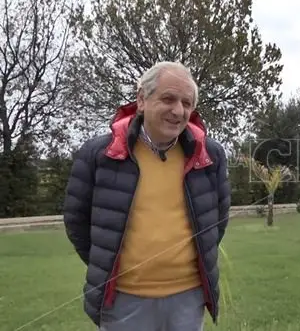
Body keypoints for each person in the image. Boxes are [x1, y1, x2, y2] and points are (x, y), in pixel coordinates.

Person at [62, 61, 231, 331]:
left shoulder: (210, 155)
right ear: (141, 99)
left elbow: (217, 221)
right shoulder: (98, 154)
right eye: (168, 99)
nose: (178, 110)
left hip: (188, 299)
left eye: (186, 103)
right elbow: (76, 222)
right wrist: (111, 265)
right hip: (123, 300)